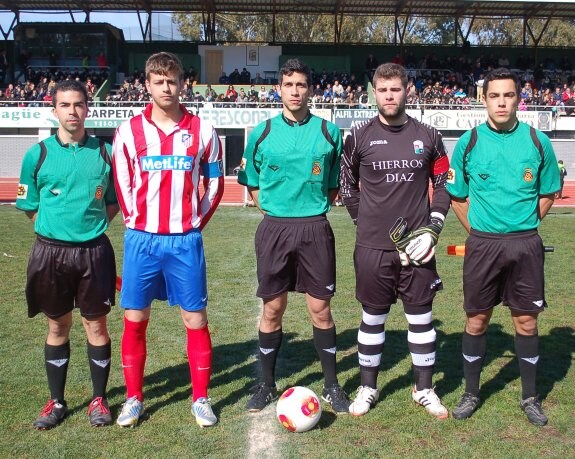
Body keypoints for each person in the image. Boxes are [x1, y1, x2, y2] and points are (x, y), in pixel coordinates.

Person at [113, 52, 224, 428]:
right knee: (135, 317)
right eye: (158, 81)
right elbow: (123, 183)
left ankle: (201, 398)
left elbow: (215, 184)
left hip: (184, 241)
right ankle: (133, 398)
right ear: (147, 84)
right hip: (142, 240)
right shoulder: (129, 131)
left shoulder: (204, 131)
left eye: (172, 80)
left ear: (182, 84)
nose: (166, 87)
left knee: (195, 318)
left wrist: (194, 223)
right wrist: (136, 223)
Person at [446, 68, 561, 426]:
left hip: (525, 244)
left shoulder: (538, 140)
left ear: (518, 98)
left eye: (508, 95)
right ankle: (471, 393)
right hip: (483, 245)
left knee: (526, 321)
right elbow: (457, 196)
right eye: (494, 96)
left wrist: (522, 226)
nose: (501, 102)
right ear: (484, 100)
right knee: (477, 319)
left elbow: (547, 193)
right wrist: (480, 231)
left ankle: (529, 397)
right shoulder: (469, 142)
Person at [237, 58, 350, 414]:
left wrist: (308, 211)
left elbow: (333, 186)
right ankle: (266, 384)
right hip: (275, 228)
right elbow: (251, 182)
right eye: (289, 85)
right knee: (273, 308)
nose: (295, 91)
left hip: (315, 228)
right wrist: (274, 211)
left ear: (310, 89)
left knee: (320, 308)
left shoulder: (330, 133)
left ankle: (332, 385)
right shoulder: (262, 132)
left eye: (301, 85)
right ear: (280, 89)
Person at [339, 63, 451, 419]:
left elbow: (445, 184)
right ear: (374, 92)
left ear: (408, 90)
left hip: (417, 248)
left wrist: (432, 229)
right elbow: (346, 187)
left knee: (421, 319)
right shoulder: (357, 137)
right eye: (383, 90)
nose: (389, 96)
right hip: (372, 249)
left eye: (396, 89)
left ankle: (424, 388)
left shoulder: (430, 136)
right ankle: (369, 387)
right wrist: (365, 223)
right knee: (372, 318)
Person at [16, 80, 118, 429]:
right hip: (51, 254)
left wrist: (85, 230)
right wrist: (57, 231)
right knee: (57, 325)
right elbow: (30, 207)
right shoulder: (38, 154)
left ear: (88, 108)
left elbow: (112, 204)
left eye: (78, 104)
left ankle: (99, 400)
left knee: (96, 324)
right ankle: (57, 401)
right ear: (54, 109)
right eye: (65, 105)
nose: (72, 111)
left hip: (93, 253)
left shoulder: (104, 154)